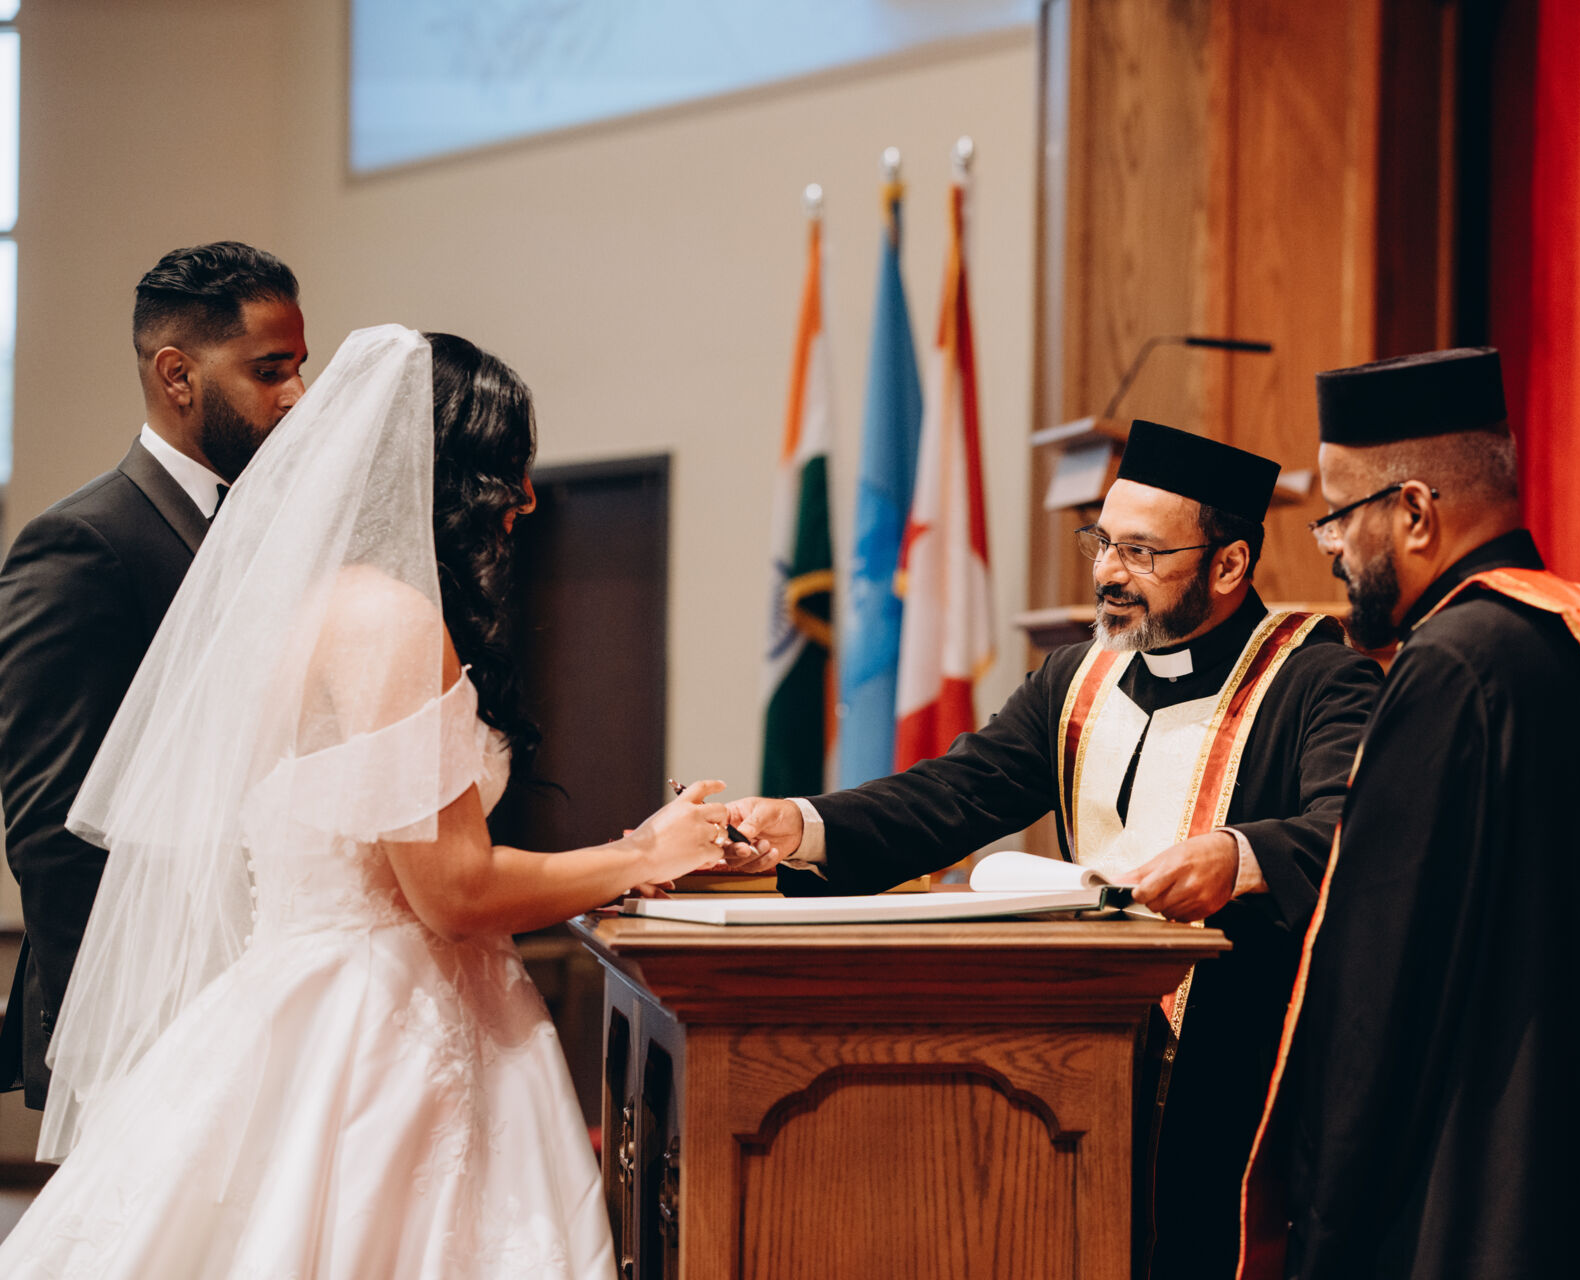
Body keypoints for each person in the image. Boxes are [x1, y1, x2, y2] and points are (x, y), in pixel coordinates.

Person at [0, 326, 730, 1277]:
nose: (525, 496)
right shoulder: (388, 621)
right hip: (381, 1027)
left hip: (304, 1000)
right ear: (447, 470)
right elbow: (452, 889)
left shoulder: (305, 607)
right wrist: (645, 855)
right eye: (507, 466)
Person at [726, 421, 1383, 1279]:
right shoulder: (1075, 680)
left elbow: (1357, 832)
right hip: (1078, 1063)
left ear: (1228, 566)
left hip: (1239, 1077)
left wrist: (1237, 856)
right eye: (1101, 542)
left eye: (1141, 553)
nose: (1108, 572)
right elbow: (952, 794)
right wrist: (800, 824)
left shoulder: (1319, 677)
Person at [1239, 348, 1580, 1279]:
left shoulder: (1449, 665)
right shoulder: (1568, 633)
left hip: (1466, 1200)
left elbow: (1380, 990)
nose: (1328, 546)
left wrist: (1322, 1225)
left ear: (1413, 511)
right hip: (1572, 1175)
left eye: (1338, 515)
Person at [0, 241, 308, 1108]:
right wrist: (122, 1039)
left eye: (298, 366)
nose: (296, 395)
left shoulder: (269, 529)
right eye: (269, 370)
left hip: (247, 991)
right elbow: (52, 824)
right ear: (178, 376)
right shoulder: (82, 542)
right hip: (140, 1017)